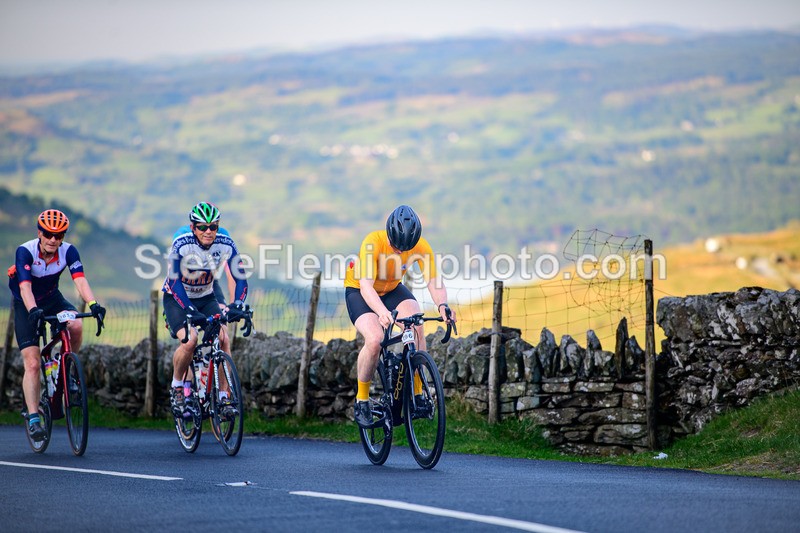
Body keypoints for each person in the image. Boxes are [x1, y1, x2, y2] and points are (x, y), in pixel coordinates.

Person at [344, 204, 456, 427]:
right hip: (360, 291)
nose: (398, 251)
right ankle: (362, 400)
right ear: (389, 234)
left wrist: (443, 305)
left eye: (404, 248)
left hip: (392, 289)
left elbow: (434, 280)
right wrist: (382, 313)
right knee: (375, 340)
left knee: (417, 325)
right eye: (395, 246)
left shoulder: (420, 246)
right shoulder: (372, 242)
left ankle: (417, 394)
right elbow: (366, 287)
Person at [7, 209, 106, 442]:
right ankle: (33, 418)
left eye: (59, 234)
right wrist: (33, 311)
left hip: (53, 299)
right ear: (40, 233)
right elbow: (24, 288)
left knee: (76, 326)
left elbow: (79, 279)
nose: (53, 239)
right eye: (49, 234)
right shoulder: (25, 251)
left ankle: (66, 368)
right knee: (31, 363)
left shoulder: (68, 251)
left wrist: (93, 303)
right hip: (26, 304)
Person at [162, 201, 249, 419]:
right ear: (193, 227)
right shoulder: (182, 243)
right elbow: (174, 281)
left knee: (223, 338)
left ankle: (223, 396)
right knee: (190, 340)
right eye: (202, 227)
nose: (208, 231)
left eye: (213, 226)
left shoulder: (225, 242)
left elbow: (240, 276)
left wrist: (237, 303)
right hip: (177, 297)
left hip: (207, 295)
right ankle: (178, 388)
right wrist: (189, 309)